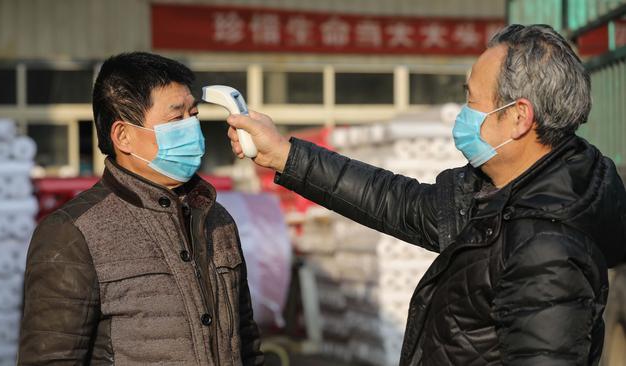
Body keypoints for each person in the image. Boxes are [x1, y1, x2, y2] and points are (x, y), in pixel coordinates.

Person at [226, 25, 626, 365]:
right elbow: (392, 200)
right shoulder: (498, 194)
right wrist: (283, 154)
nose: (463, 113)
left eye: (472, 100)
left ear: (519, 117)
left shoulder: (546, 246)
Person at [18, 52, 264, 365]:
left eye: (194, 115)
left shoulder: (217, 219)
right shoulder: (72, 234)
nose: (192, 128)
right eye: (176, 119)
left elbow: (247, 343)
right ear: (123, 136)